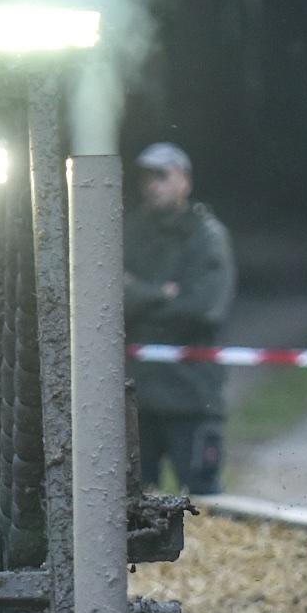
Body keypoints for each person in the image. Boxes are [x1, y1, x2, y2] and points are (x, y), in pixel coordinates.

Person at [124, 141, 235, 496]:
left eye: (162, 176)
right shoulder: (129, 233)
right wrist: (162, 293)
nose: (152, 185)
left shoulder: (207, 237)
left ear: (184, 181)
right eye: (146, 177)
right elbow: (108, 297)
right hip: (137, 400)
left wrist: (139, 296)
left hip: (192, 397)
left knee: (204, 501)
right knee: (131, 504)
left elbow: (204, 308)